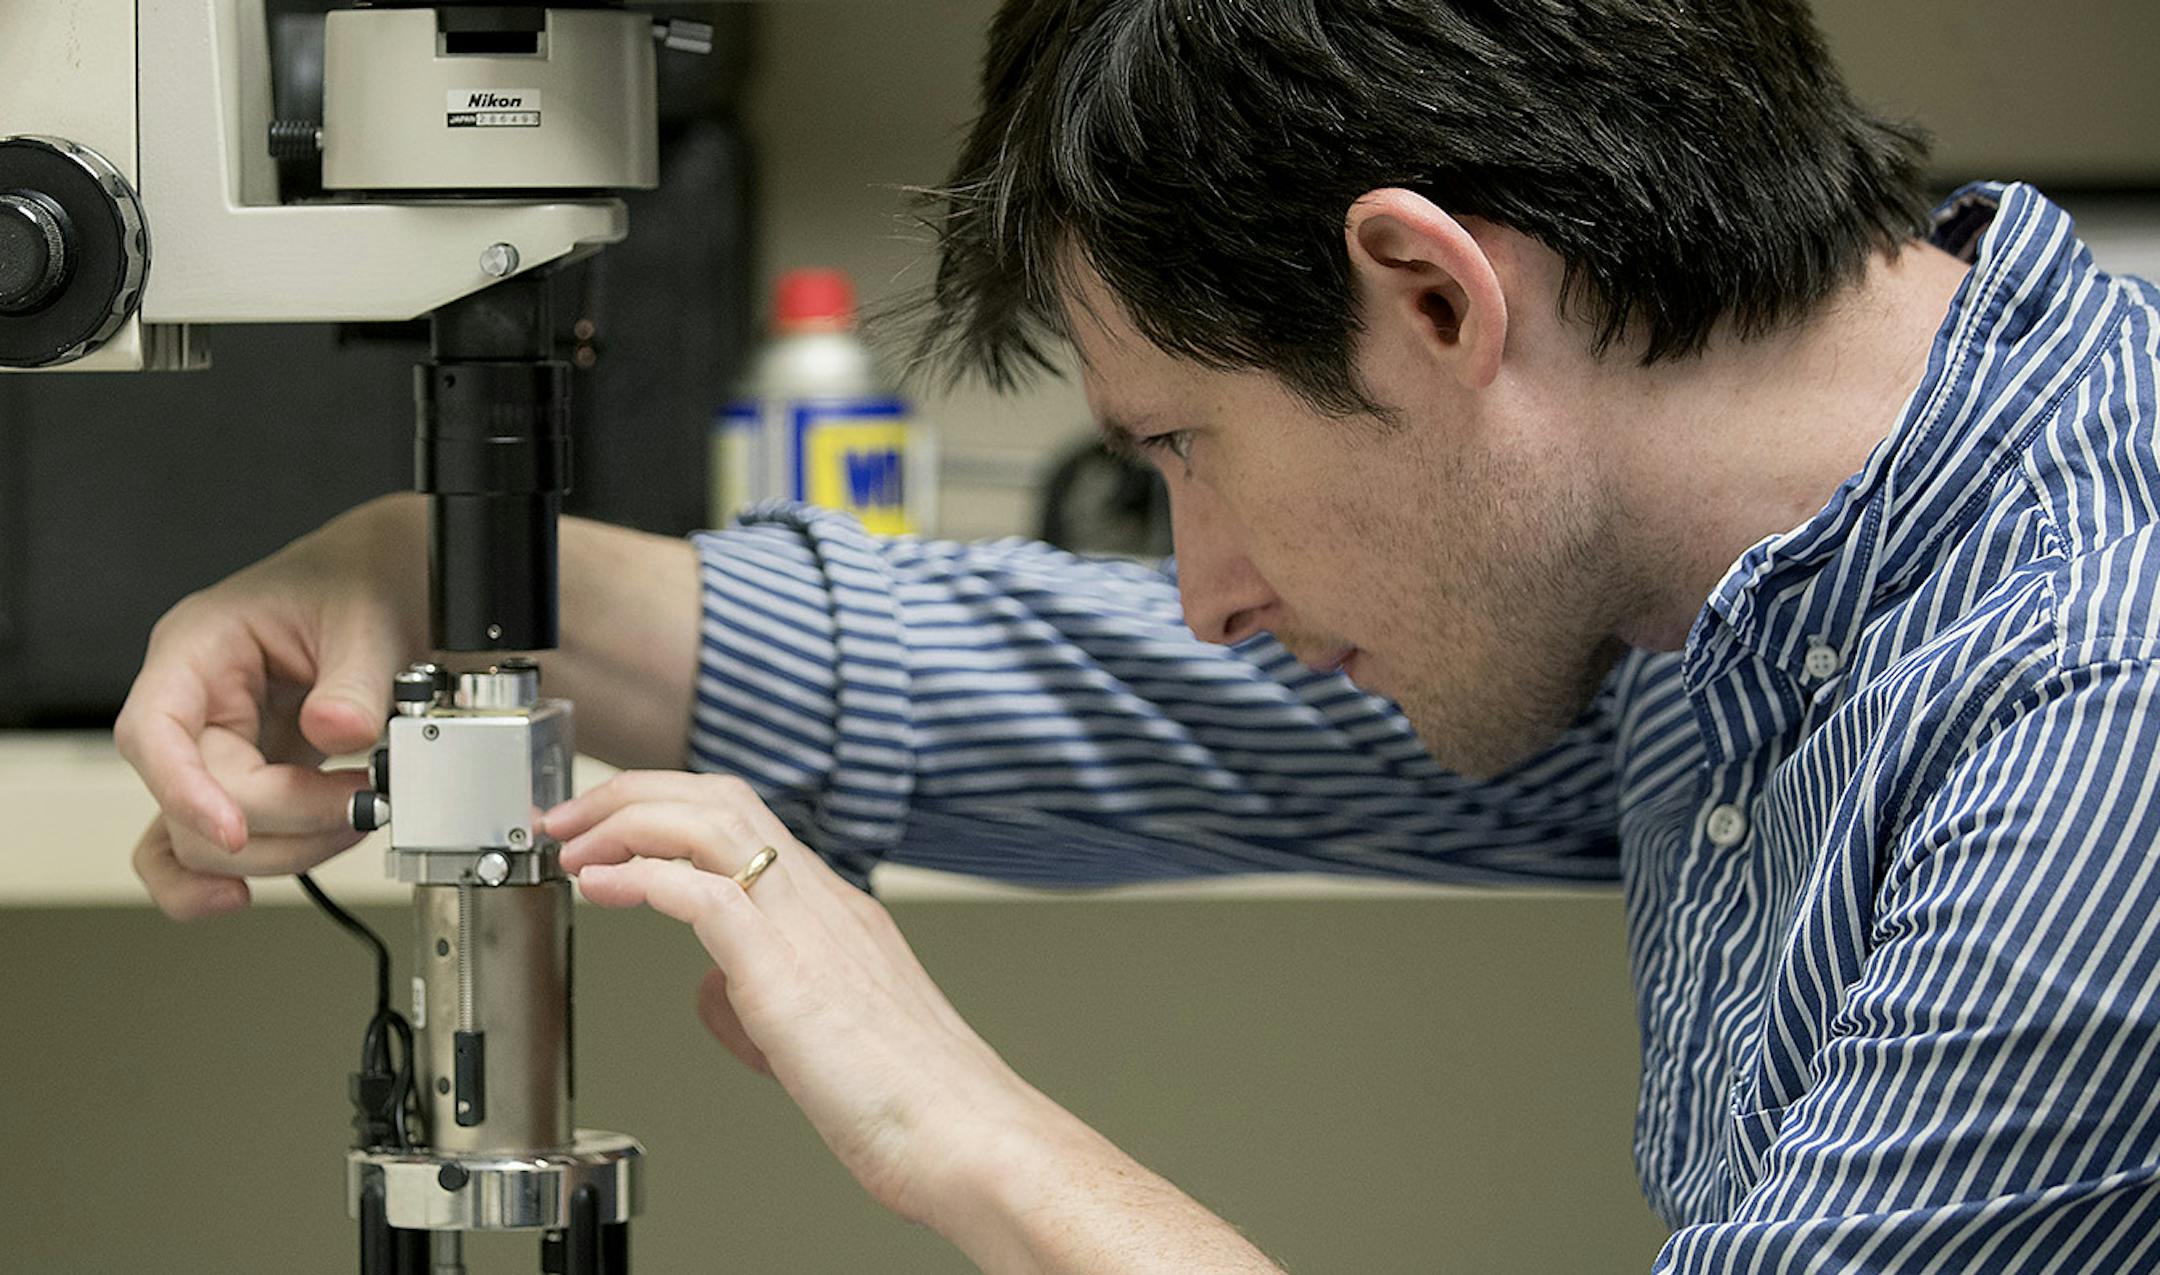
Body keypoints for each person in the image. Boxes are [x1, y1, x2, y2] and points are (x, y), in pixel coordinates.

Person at [116, 0, 2160, 1269]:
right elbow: (1123, 691)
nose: (1204, 587)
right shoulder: (1721, 566)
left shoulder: (2094, 711)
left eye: (1184, 445)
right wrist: (455, 572)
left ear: (1434, 298)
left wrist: (965, 1131)